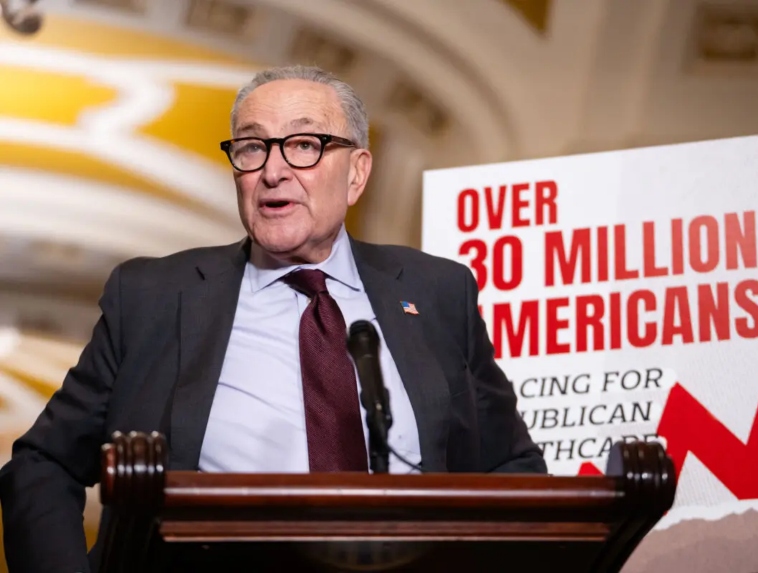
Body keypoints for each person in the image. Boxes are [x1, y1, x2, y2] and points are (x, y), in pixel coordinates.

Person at [0, 65, 547, 573]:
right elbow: (43, 464)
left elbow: (511, 469)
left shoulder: (437, 292)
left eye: (305, 145)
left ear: (357, 174)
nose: (273, 171)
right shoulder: (153, 298)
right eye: (252, 147)